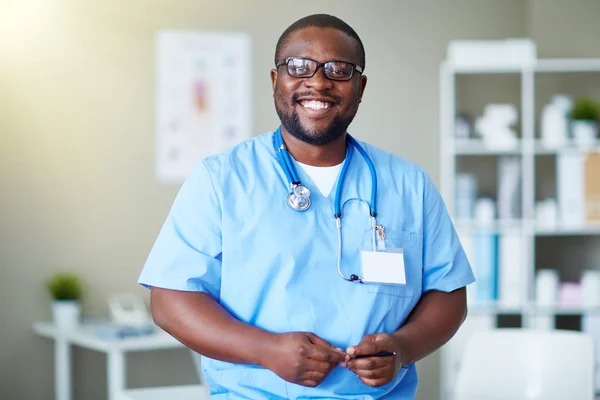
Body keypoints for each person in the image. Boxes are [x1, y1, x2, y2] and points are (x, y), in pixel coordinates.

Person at [138, 13, 475, 399]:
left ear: (360, 87)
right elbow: (170, 300)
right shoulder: (220, 179)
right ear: (274, 81)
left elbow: (448, 293)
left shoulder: (409, 184)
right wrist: (265, 350)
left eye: (339, 69)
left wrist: (403, 349)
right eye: (298, 67)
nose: (318, 82)